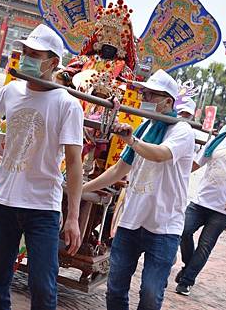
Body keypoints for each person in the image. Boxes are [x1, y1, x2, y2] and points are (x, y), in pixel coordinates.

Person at [0, 24, 84, 310]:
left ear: (52, 63)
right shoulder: (13, 90)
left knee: (42, 286)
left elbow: (75, 162)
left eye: (34, 54)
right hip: (4, 199)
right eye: (24, 52)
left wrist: (73, 217)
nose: (26, 58)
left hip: (43, 206)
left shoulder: (67, 105)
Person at [82, 69, 195, 310]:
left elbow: (159, 154)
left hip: (164, 227)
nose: (146, 99)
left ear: (168, 101)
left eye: (152, 95)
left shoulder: (182, 131)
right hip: (131, 221)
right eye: (145, 93)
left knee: (151, 294)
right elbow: (118, 170)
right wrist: (80, 189)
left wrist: (132, 141)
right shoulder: (144, 127)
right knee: (115, 288)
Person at [175, 108, 226, 296]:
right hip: (201, 201)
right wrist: (178, 174)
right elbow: (197, 163)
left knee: (205, 245)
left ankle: (187, 281)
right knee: (184, 231)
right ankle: (189, 266)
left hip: (224, 209)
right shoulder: (216, 141)